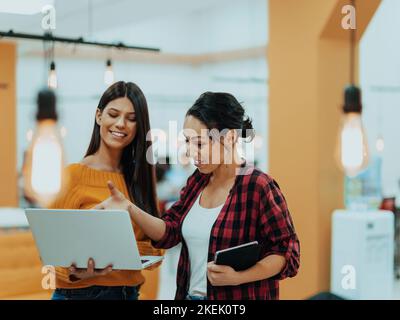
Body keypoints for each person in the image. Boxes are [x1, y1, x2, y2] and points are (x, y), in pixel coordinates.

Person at [96, 91, 300, 300]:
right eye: (187, 142)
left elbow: (287, 253)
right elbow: (170, 231)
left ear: (230, 137)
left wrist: (238, 277)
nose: (191, 152)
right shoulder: (198, 181)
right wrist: (129, 208)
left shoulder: (258, 186)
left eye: (200, 144)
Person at [49, 81, 163, 300]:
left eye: (131, 119)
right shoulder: (72, 176)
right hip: (78, 295)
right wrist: (75, 272)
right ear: (99, 116)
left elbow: (158, 249)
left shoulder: (141, 180)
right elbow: (51, 252)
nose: (121, 124)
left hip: (128, 294)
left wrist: (117, 253)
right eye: (113, 114)